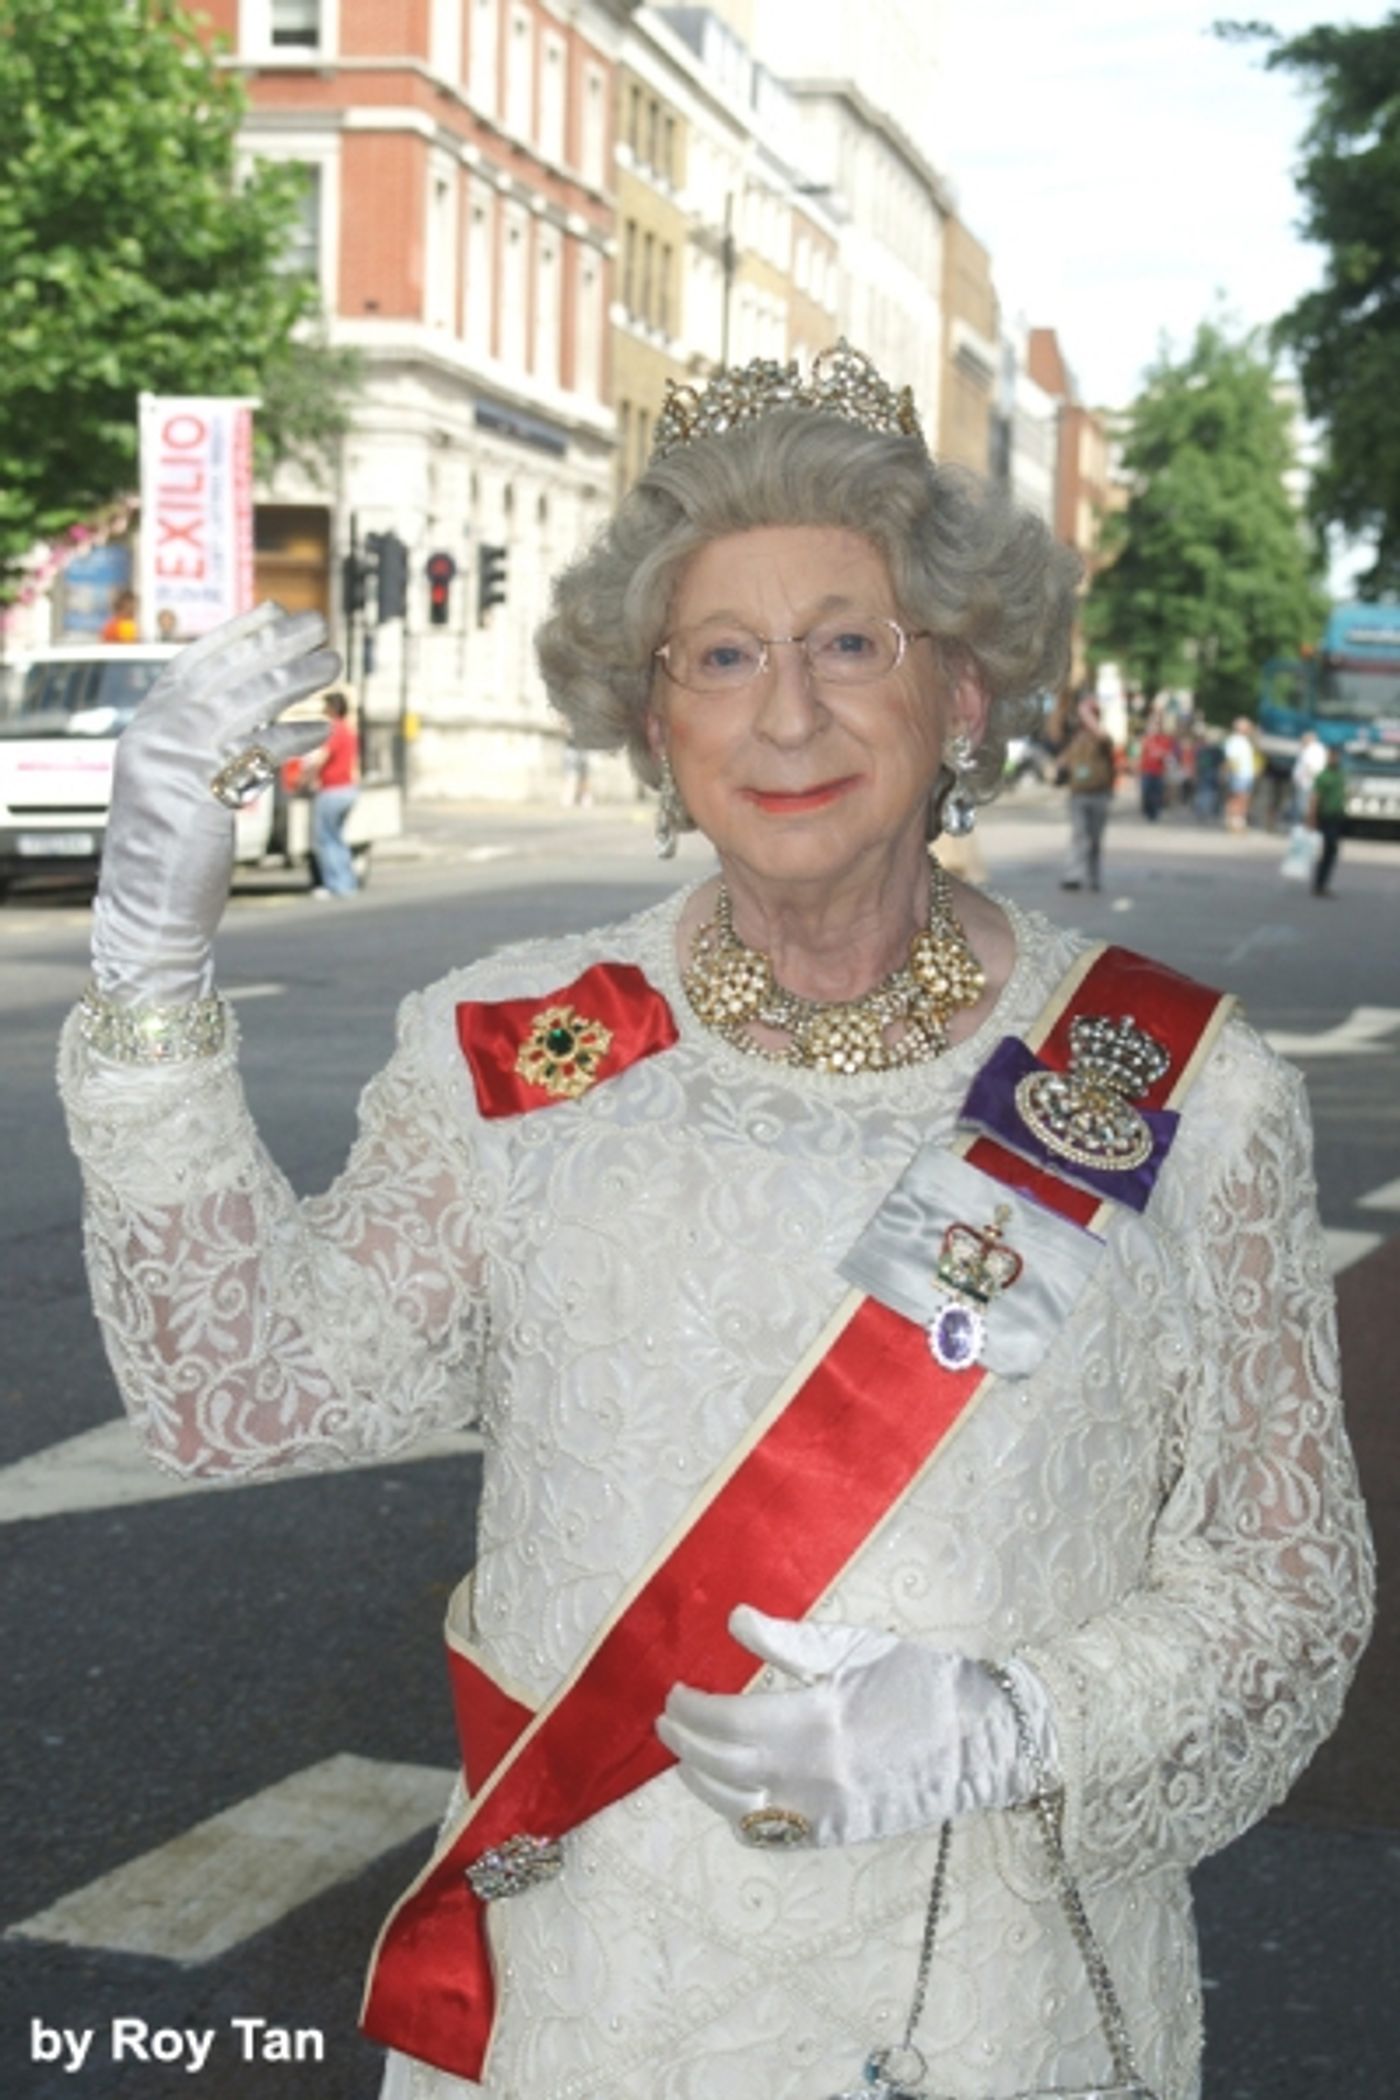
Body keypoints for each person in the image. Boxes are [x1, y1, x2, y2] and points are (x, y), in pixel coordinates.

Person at [58, 344, 1371, 2100]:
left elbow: (1288, 1584)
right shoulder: (516, 1049)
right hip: (597, 2010)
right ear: (657, 723)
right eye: (723, 658)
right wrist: (148, 986)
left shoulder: (1186, 1091)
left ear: (962, 694)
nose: (788, 714)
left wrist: (1019, 1722)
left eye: (851, 642)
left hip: (984, 2009)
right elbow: (252, 1402)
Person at [301, 687, 360, 896]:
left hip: (332, 790)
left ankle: (335, 884)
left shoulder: (333, 729)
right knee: (337, 838)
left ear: (332, 709)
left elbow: (321, 758)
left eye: (325, 707)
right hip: (348, 789)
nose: (323, 712)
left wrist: (306, 776)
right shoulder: (349, 729)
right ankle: (348, 883)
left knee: (325, 839)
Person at [1057, 690, 1116, 890]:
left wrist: (1086, 712)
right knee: (1079, 835)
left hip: (1099, 794)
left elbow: (1104, 737)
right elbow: (1063, 761)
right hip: (1078, 794)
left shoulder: (1102, 738)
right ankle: (1073, 875)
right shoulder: (1075, 739)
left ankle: (1093, 877)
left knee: (1095, 839)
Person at [1309, 744, 1348, 897]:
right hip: (1326, 816)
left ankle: (1323, 883)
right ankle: (1319, 884)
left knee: (1332, 851)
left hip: (1338, 816)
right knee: (1328, 850)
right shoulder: (1323, 776)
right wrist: (1311, 818)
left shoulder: (1340, 774)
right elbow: (1315, 798)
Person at [1135, 707, 1174, 822]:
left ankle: (1155, 813)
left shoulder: (1165, 740)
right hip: (1146, 770)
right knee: (1146, 792)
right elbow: (1138, 755)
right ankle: (1147, 811)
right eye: (1153, 726)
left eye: (1157, 726)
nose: (1155, 728)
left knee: (1157, 794)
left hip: (1159, 771)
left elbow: (1169, 756)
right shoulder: (1145, 740)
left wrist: (1163, 756)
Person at [1222, 716, 1257, 832]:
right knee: (1237, 798)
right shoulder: (1234, 740)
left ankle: (1240, 821)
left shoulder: (1246, 741)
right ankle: (1233, 821)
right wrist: (1230, 773)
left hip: (1247, 774)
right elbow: (1231, 759)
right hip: (1239, 774)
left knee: (1244, 798)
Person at [1291, 728, 1327, 823]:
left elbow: (1309, 767)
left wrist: (1303, 777)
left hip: (1307, 783)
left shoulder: (1311, 750)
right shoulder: (1317, 748)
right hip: (1308, 783)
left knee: (1304, 807)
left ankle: (1303, 826)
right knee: (1307, 807)